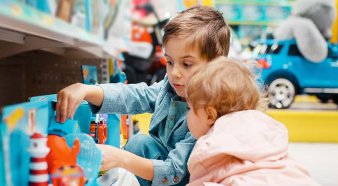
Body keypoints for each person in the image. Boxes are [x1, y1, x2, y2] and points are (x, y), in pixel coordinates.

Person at [55, 6, 230, 186]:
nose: (175, 73)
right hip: (162, 169)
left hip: (187, 179)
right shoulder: (171, 87)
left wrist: (121, 158)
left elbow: (174, 172)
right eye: (169, 62)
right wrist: (87, 90)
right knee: (139, 143)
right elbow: (137, 95)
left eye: (186, 64)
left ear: (215, 64)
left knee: (136, 148)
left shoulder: (208, 114)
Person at [185, 57, 320, 185]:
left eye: (189, 108)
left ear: (210, 115)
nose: (187, 114)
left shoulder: (208, 148)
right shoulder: (266, 131)